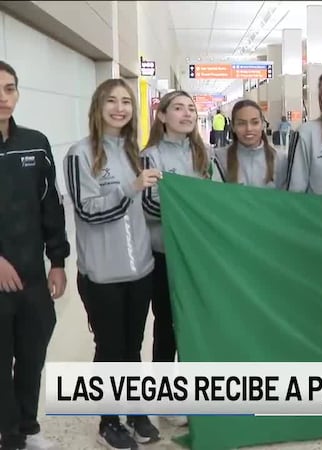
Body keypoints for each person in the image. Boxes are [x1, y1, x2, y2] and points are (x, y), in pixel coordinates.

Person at [63, 78, 162, 448]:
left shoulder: (136, 151)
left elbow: (150, 208)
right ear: (97, 107)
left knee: (134, 345)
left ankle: (135, 412)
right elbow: (88, 212)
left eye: (126, 102)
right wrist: (130, 188)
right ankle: (109, 421)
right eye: (111, 101)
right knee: (110, 347)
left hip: (141, 268)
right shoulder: (80, 154)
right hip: (103, 274)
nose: (120, 108)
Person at [140, 89, 220, 429]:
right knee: (167, 327)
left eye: (191, 108)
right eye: (178, 109)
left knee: (197, 324)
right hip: (165, 255)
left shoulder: (206, 154)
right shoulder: (149, 156)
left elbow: (219, 199)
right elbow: (149, 205)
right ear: (162, 116)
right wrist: (189, 208)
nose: (186, 114)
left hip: (201, 256)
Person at [0, 61, 70, 450]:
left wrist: (57, 261)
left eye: (9, 88)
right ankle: (8, 432)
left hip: (31, 276)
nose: (2, 97)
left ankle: (27, 425)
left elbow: (51, 207)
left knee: (31, 355)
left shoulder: (35, 143)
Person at [215, 99, 287, 189]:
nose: (249, 129)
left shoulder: (280, 159)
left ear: (262, 124)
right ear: (233, 127)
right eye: (241, 123)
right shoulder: (220, 158)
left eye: (255, 122)